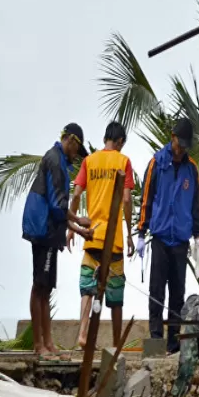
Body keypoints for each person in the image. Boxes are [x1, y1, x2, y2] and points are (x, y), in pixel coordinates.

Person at [22, 123, 94, 358]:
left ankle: (49, 343)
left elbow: (60, 207)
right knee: (39, 286)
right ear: (70, 141)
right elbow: (58, 206)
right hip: (44, 229)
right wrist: (79, 223)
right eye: (77, 150)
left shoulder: (59, 161)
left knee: (46, 288)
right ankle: (39, 345)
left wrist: (77, 227)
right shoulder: (55, 160)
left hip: (50, 231)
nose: (76, 156)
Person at [136, 118, 199, 354]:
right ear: (172, 137)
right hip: (161, 237)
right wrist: (141, 232)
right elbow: (146, 198)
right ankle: (156, 340)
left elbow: (197, 204)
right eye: (179, 143)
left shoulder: (191, 169)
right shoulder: (157, 162)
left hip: (180, 240)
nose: (181, 148)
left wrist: (197, 236)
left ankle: (174, 344)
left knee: (178, 294)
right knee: (156, 291)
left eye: (185, 145)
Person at [68, 121, 136, 350]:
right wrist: (128, 233)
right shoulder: (123, 161)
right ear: (119, 142)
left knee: (87, 287)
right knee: (115, 296)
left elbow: (76, 194)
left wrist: (71, 225)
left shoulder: (90, 161)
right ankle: (116, 344)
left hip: (91, 234)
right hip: (113, 239)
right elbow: (126, 199)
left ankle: (83, 335)